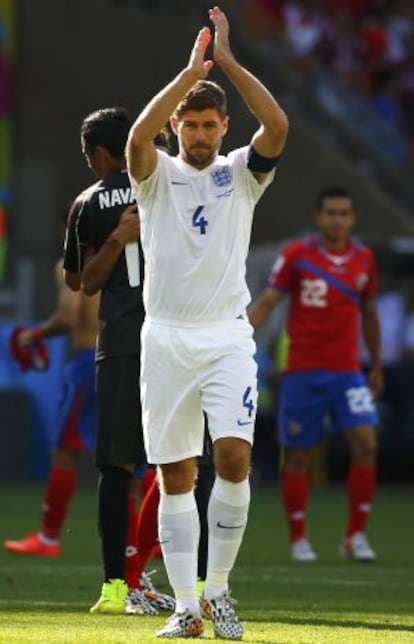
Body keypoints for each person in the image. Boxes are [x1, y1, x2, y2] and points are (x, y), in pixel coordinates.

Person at [126, 6, 288, 639]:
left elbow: (277, 123)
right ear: (178, 125)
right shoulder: (155, 175)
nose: (199, 134)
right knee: (174, 475)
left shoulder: (240, 175)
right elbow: (138, 137)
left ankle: (218, 590)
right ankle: (186, 606)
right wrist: (188, 71)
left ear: (224, 128)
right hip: (164, 338)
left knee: (234, 458)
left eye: (209, 125)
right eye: (189, 125)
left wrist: (229, 63)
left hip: (225, 337)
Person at [63, 107, 173, 616]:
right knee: (182, 461)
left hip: (122, 341)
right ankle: (166, 579)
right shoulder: (168, 179)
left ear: (99, 153)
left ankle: (116, 586)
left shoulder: (87, 203)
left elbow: (82, 283)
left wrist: (114, 238)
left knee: (116, 464)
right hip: (176, 335)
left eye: (88, 155)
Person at [248, 186, 383, 563]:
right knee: (298, 456)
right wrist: (241, 335)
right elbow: (269, 300)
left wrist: (376, 363)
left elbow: (369, 314)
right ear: (319, 217)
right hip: (303, 372)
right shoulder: (297, 255)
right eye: (331, 213)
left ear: (353, 218)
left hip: (347, 372)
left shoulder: (364, 260)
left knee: (366, 444)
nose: (337, 220)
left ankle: (355, 535)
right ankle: (298, 536)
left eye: (344, 213)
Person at [3, 260, 99, 556]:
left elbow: (69, 317)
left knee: (63, 451)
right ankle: (159, 539)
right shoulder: (137, 254)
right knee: (137, 457)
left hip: (90, 362)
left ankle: (49, 537)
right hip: (135, 359)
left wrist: (32, 335)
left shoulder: (77, 260)